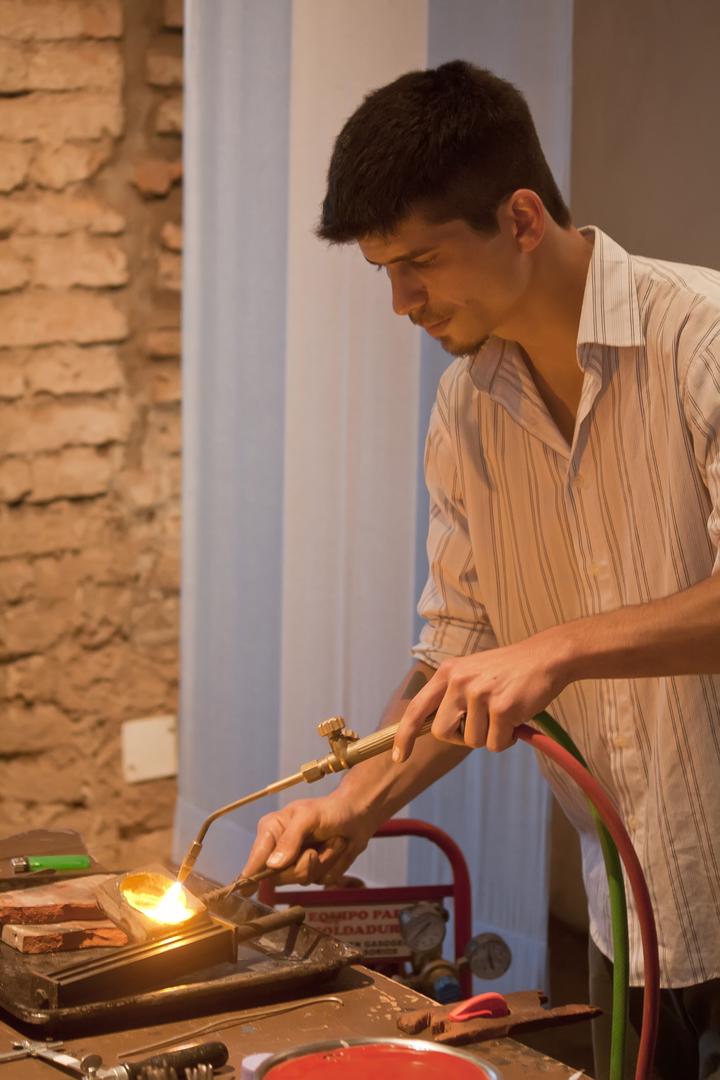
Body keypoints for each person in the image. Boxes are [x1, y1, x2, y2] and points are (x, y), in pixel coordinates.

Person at [242, 61, 720, 1079]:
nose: (401, 301)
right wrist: (355, 803)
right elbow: (462, 649)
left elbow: (530, 657)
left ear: (520, 218)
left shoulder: (703, 341)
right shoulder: (467, 409)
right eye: (383, 271)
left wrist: (559, 649)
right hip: (632, 924)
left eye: (419, 261)